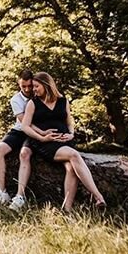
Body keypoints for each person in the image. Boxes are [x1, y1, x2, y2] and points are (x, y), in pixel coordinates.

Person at [21, 72, 106, 209]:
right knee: (73, 155)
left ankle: (67, 209)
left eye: (37, 86)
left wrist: (71, 134)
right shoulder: (33, 103)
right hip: (46, 143)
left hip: (65, 140)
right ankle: (98, 196)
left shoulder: (63, 101)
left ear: (46, 85)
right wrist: (42, 137)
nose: (34, 89)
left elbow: (69, 122)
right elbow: (25, 126)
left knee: (71, 167)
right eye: (34, 87)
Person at [0, 69, 58, 211]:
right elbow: (24, 123)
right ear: (19, 84)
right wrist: (42, 133)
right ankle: (2, 192)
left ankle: (20, 196)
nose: (28, 89)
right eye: (24, 86)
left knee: (24, 154)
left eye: (30, 86)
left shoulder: (40, 94)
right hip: (20, 130)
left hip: (35, 132)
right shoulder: (15, 100)